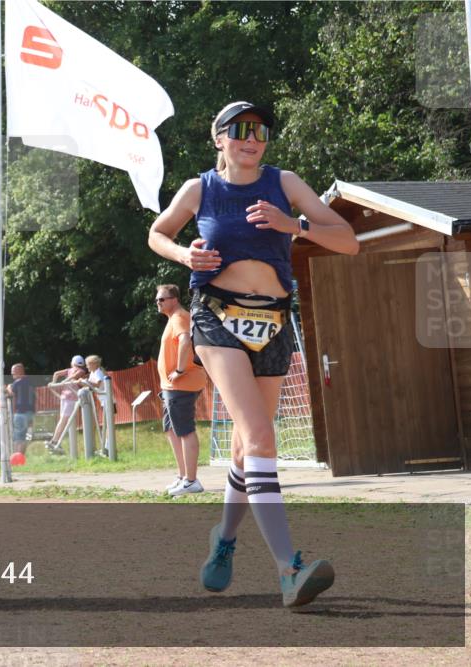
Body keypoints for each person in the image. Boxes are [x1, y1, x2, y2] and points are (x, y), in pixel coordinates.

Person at [148, 101, 357, 607]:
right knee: (261, 436)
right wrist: (183, 254)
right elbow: (158, 233)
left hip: (275, 321)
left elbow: (348, 241)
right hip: (216, 317)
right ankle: (290, 568)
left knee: (248, 449)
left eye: (261, 130)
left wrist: (295, 226)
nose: (252, 137)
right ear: (218, 138)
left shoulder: (285, 183)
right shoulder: (199, 189)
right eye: (240, 130)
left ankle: (223, 542)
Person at [154, 284, 209, 496]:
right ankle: (182, 476)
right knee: (171, 429)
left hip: (181, 385)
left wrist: (179, 369)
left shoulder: (178, 317)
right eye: (157, 300)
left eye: (161, 299)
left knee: (185, 430)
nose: (157, 303)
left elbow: (185, 339)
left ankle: (192, 480)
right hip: (171, 386)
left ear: (174, 299)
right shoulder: (173, 318)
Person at [46, 355, 88, 453]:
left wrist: (54, 383)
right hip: (72, 398)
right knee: (65, 420)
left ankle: (56, 441)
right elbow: (74, 376)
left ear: (72, 363)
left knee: (63, 420)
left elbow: (56, 373)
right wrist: (64, 381)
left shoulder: (69, 370)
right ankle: (55, 441)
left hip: (64, 397)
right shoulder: (81, 371)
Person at [6, 363, 35, 455]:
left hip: (20, 413)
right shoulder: (30, 381)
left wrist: (8, 387)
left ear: (19, 371)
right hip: (30, 412)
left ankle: (17, 458)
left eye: (13, 372)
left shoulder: (17, 382)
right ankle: (22, 456)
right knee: (24, 436)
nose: (12, 374)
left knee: (18, 437)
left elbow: (11, 393)